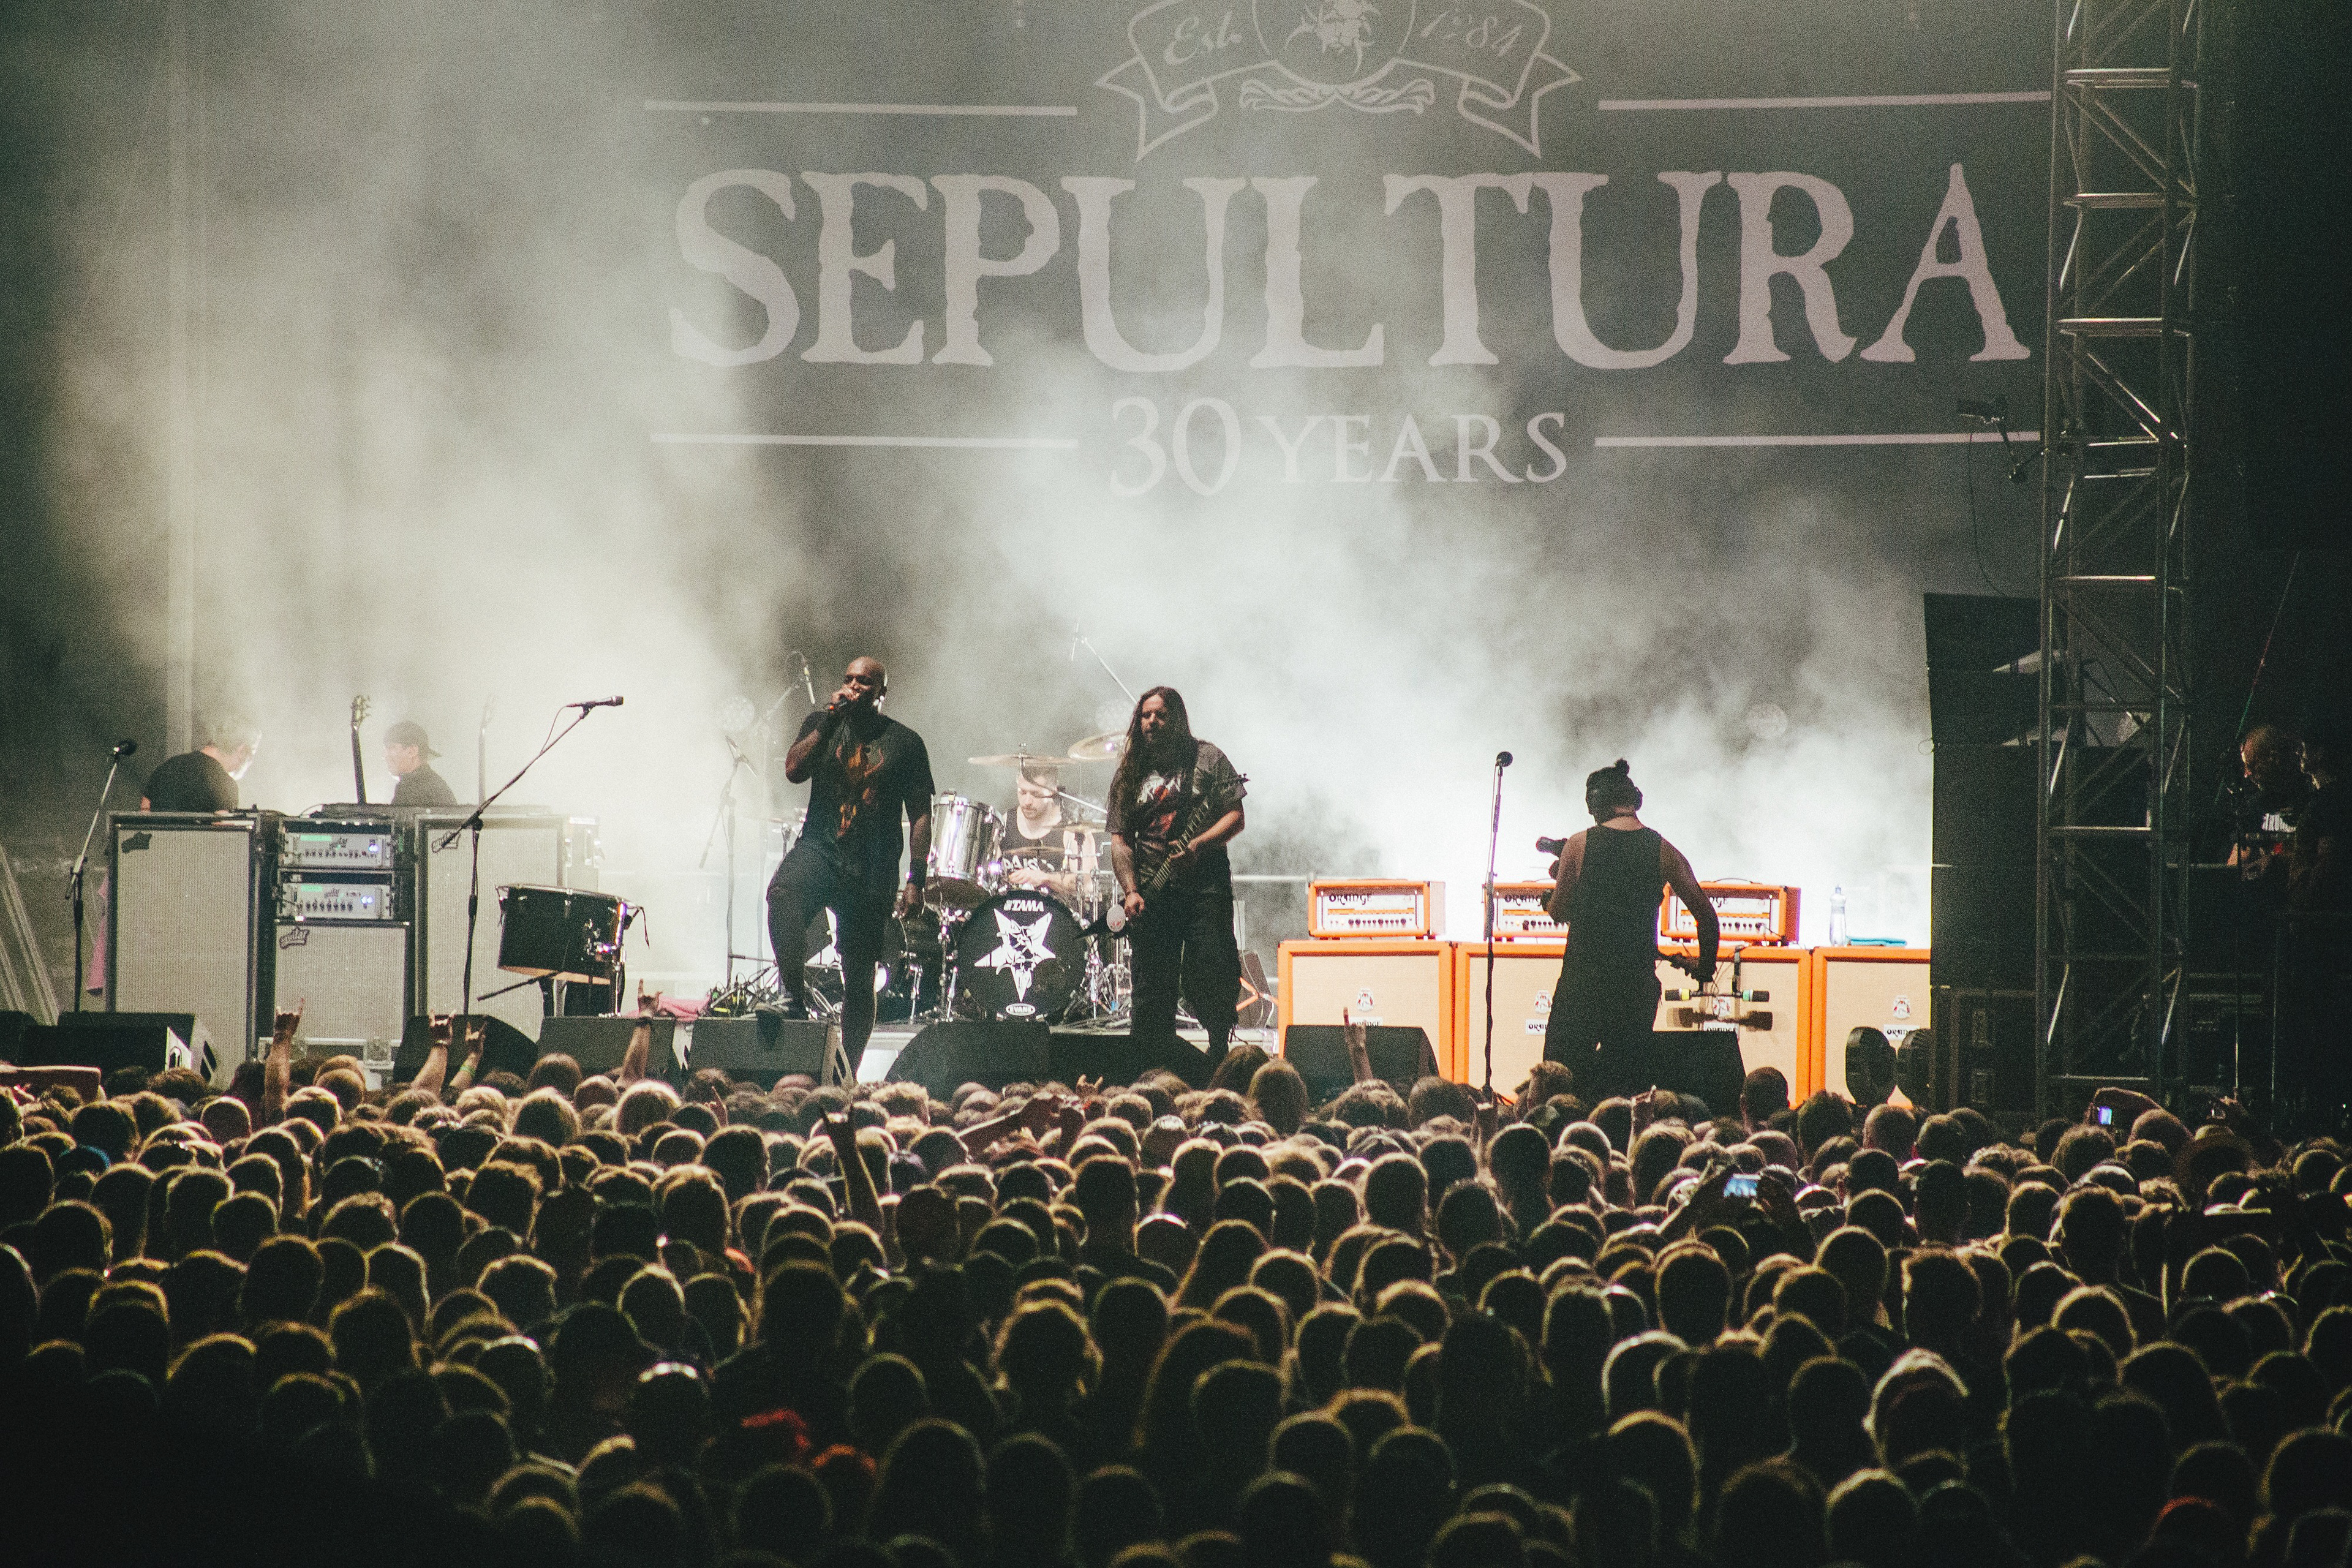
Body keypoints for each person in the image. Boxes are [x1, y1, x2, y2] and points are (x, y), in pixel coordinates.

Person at [766, 657, 934, 1077]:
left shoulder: (905, 742)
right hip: (820, 849)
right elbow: (792, 770)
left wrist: (916, 878)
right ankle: (793, 996)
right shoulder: (821, 723)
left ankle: (850, 1074)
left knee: (859, 979)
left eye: (865, 682)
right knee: (782, 893)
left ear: (881, 693)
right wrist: (826, 722)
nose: (855, 687)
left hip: (872, 867)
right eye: (849, 679)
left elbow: (921, 815)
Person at [1540, 758, 1717, 1101]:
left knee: (1559, 1084)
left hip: (1582, 985)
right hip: (1634, 989)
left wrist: (1552, 896)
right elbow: (1707, 918)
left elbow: (1559, 910)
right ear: (1634, 800)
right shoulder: (1663, 849)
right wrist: (1704, 968)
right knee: (1623, 1089)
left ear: (1595, 803)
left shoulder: (1579, 844)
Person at [1107, 687, 1246, 1073]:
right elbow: (1120, 841)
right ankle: (1154, 1069)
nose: (1152, 722)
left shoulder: (1209, 758)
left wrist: (1200, 845)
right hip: (1154, 891)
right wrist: (1131, 890)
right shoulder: (1130, 773)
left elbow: (1235, 815)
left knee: (1214, 966)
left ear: (1178, 719)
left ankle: (1219, 1054)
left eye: (1161, 715)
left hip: (1205, 886)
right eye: (1146, 716)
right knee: (1153, 988)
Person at [1002, 763, 1099, 904]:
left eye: (1036, 794)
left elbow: (1087, 884)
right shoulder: (1006, 821)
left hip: (1056, 916)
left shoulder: (1073, 830)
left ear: (1052, 792)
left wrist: (1044, 878)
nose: (1027, 801)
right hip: (1007, 911)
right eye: (1022, 792)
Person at [139, 714, 260, 811]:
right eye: (253, 753)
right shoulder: (224, 785)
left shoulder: (168, 767)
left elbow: (145, 809)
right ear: (242, 751)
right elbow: (224, 837)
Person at [384, 720, 459, 807]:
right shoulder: (434, 784)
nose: (385, 756)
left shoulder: (412, 788)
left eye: (391, 748)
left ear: (412, 751)